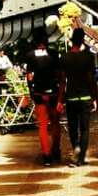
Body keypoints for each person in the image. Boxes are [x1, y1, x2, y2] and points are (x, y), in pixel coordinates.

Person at [57, 28, 98, 167]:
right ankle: (82, 157)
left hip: (71, 97)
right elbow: (91, 79)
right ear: (82, 41)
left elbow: (63, 81)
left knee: (73, 127)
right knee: (85, 128)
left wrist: (60, 100)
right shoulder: (88, 57)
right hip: (86, 97)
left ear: (71, 40)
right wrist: (95, 98)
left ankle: (76, 148)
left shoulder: (64, 58)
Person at [25, 28, 62, 166]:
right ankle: (56, 150)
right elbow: (59, 74)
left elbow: (29, 76)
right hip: (53, 93)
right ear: (46, 40)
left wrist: (31, 91)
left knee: (42, 125)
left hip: (39, 94)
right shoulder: (53, 53)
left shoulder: (30, 56)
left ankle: (46, 156)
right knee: (55, 123)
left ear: (34, 41)